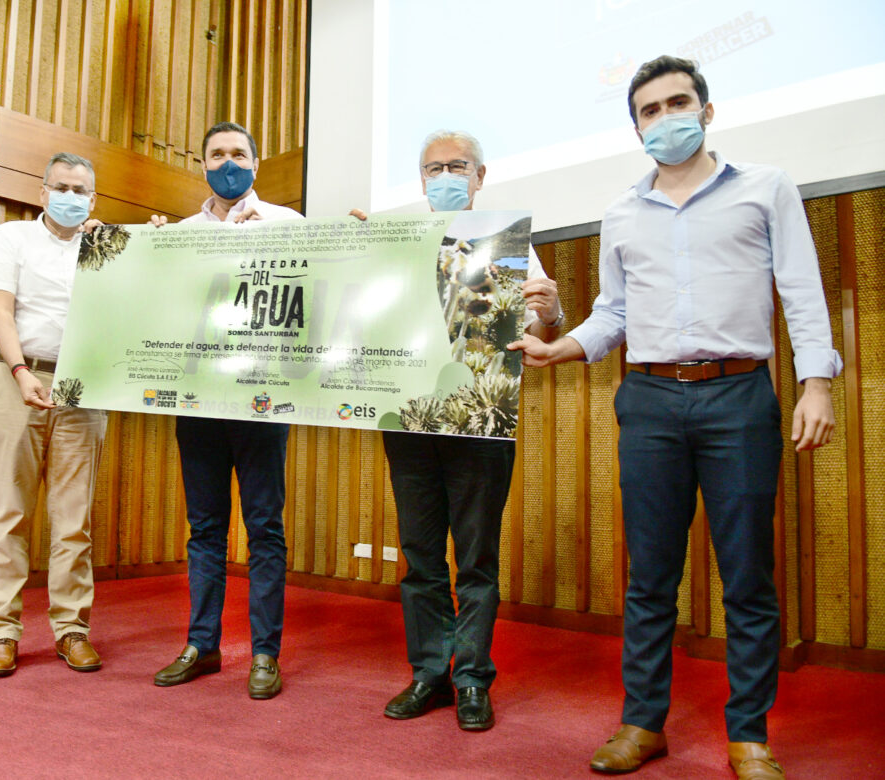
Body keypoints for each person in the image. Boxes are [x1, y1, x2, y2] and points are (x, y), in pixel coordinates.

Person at [510, 56, 840, 779]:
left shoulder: (767, 188)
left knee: (747, 575)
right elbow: (614, 312)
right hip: (650, 400)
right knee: (650, 576)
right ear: (636, 127)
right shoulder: (623, 211)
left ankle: (749, 734)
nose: (665, 118)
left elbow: (803, 290)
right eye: (650, 111)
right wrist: (564, 347)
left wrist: (818, 382)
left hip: (740, 397)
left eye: (677, 103)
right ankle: (642, 723)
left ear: (708, 110)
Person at [352, 130, 563, 730]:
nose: (444, 176)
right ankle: (428, 675)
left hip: (480, 423)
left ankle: (471, 679)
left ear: (480, 174)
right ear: (421, 180)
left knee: (475, 560)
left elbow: (538, 340)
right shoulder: (396, 242)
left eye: (456, 166)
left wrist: (549, 315)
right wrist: (352, 251)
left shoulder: (512, 244)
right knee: (421, 558)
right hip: (411, 421)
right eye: (433, 168)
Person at [150, 121, 301, 699]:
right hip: (197, 397)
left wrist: (275, 249)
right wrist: (150, 253)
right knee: (205, 526)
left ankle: (265, 653)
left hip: (263, 399)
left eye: (239, 153)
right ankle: (202, 644)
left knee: (264, 527)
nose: (228, 162)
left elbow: (310, 301)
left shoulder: (289, 225)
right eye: (218, 154)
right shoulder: (181, 232)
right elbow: (159, 306)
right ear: (203, 164)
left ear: (256, 165)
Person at [0, 152, 109, 677]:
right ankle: (2, 633)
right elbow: (0, 308)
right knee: (9, 513)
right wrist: (18, 371)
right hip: (15, 375)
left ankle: (72, 630)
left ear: (93, 200)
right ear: (42, 191)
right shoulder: (12, 238)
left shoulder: (104, 246)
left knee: (74, 518)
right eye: (62, 187)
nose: (71, 197)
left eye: (81, 191)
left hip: (83, 383)